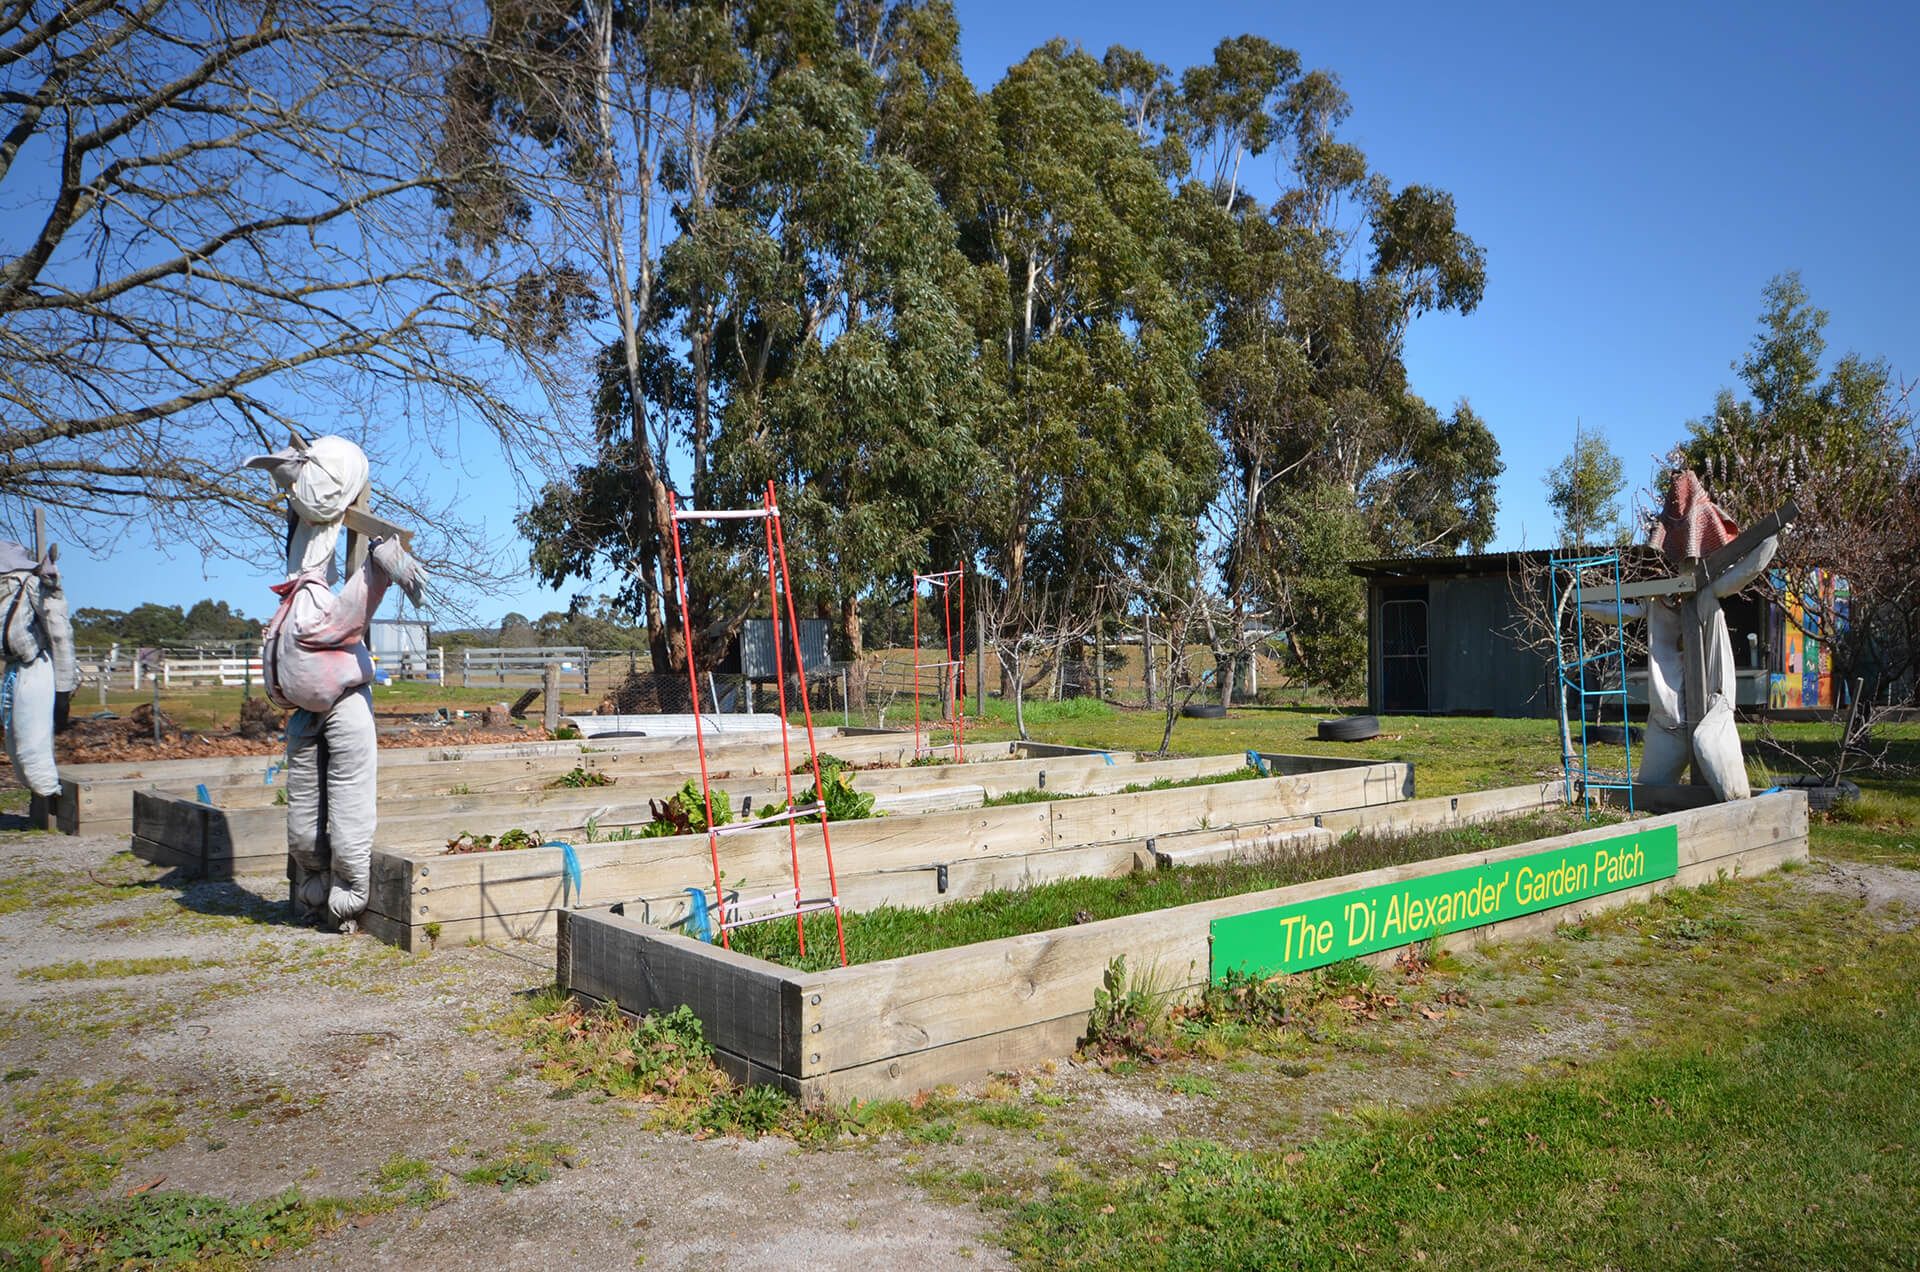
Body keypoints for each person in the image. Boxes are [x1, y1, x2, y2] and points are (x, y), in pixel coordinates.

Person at [245, 437, 425, 933]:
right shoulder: (300, 585)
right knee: (304, 821)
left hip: (344, 704)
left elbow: (344, 621)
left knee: (348, 811)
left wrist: (376, 567)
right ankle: (310, 890)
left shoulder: (315, 605)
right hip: (304, 713)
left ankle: (347, 898)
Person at [1, 539, 75, 822]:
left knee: (32, 741)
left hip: (35, 666)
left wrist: (63, 689)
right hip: (15, 669)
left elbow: (59, 634)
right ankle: (45, 802)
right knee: (14, 739)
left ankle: (56, 807)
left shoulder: (31, 586)